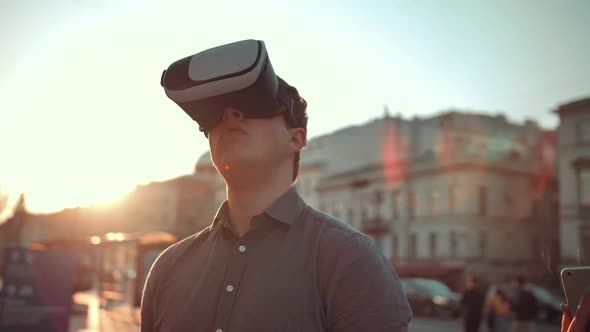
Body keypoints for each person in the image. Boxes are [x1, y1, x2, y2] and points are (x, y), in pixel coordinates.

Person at [140, 40, 413, 332]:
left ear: (296, 139)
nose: (230, 115)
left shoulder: (349, 259)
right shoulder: (168, 267)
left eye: (253, 105)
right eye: (215, 114)